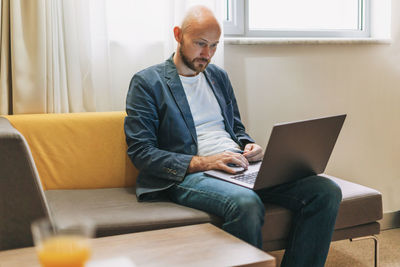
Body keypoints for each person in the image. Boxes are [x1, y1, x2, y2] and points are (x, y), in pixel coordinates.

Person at [124, 5, 342, 267]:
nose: (207, 54)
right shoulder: (148, 82)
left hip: (237, 164)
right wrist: (206, 162)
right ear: (178, 35)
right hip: (190, 173)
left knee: (324, 190)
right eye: (200, 44)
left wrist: (249, 145)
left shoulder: (218, 76)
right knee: (245, 203)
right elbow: (141, 152)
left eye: (214, 46)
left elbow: (236, 129)